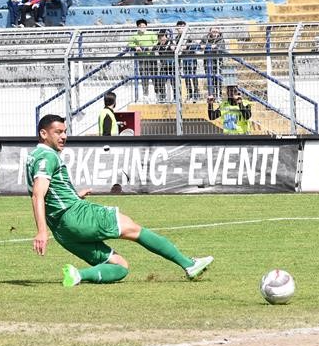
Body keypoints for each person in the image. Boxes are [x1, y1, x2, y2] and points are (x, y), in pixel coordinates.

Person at [28, 113, 214, 287]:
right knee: (132, 228)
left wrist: (75, 196)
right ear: (43, 134)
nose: (63, 136)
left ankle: (77, 275)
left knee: (120, 266)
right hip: (76, 216)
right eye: (58, 132)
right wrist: (41, 232)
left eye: (65, 132)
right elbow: (38, 194)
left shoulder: (33, 157)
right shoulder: (47, 156)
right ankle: (189, 264)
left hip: (63, 232)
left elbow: (49, 194)